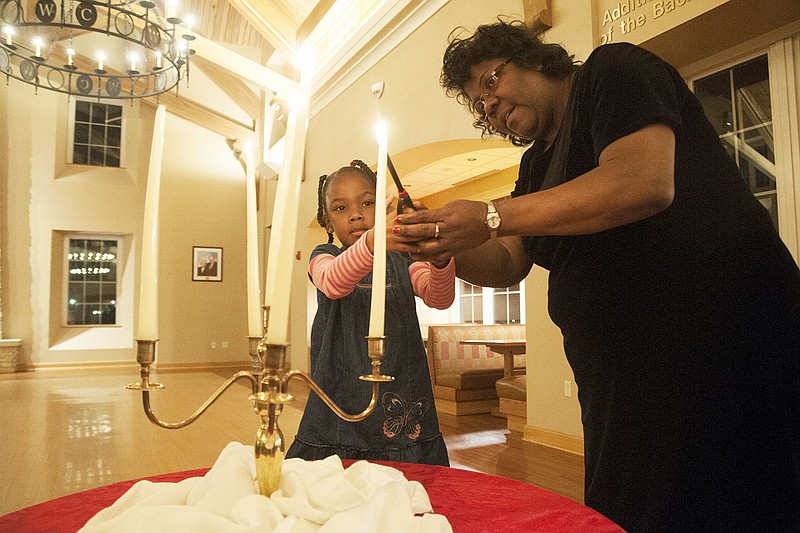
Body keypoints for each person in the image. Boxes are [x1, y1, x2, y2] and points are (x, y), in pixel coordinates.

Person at [393, 19, 800, 532]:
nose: (489, 108)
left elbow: (643, 181)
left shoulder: (613, 72)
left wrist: (492, 215)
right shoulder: (535, 167)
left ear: (534, 58)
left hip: (717, 347)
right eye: (479, 105)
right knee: (626, 510)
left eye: (491, 83)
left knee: (730, 501)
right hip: (622, 380)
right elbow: (509, 261)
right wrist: (437, 245)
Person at [285, 160, 453, 466]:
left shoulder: (402, 260)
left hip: (401, 396)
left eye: (367, 202)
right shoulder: (324, 257)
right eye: (340, 208)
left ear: (383, 208)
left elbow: (438, 298)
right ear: (327, 222)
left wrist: (440, 258)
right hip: (340, 401)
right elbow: (334, 282)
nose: (356, 214)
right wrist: (373, 242)